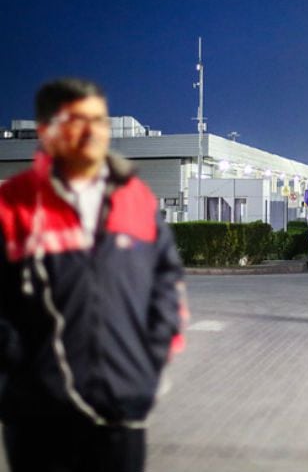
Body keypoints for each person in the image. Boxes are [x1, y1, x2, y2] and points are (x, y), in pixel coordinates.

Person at [0, 78, 187, 472]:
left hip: (122, 408)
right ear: (46, 130)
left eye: (99, 120)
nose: (92, 131)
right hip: (38, 415)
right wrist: (21, 363)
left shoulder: (135, 199)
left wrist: (148, 362)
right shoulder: (14, 204)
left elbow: (166, 281)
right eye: (76, 120)